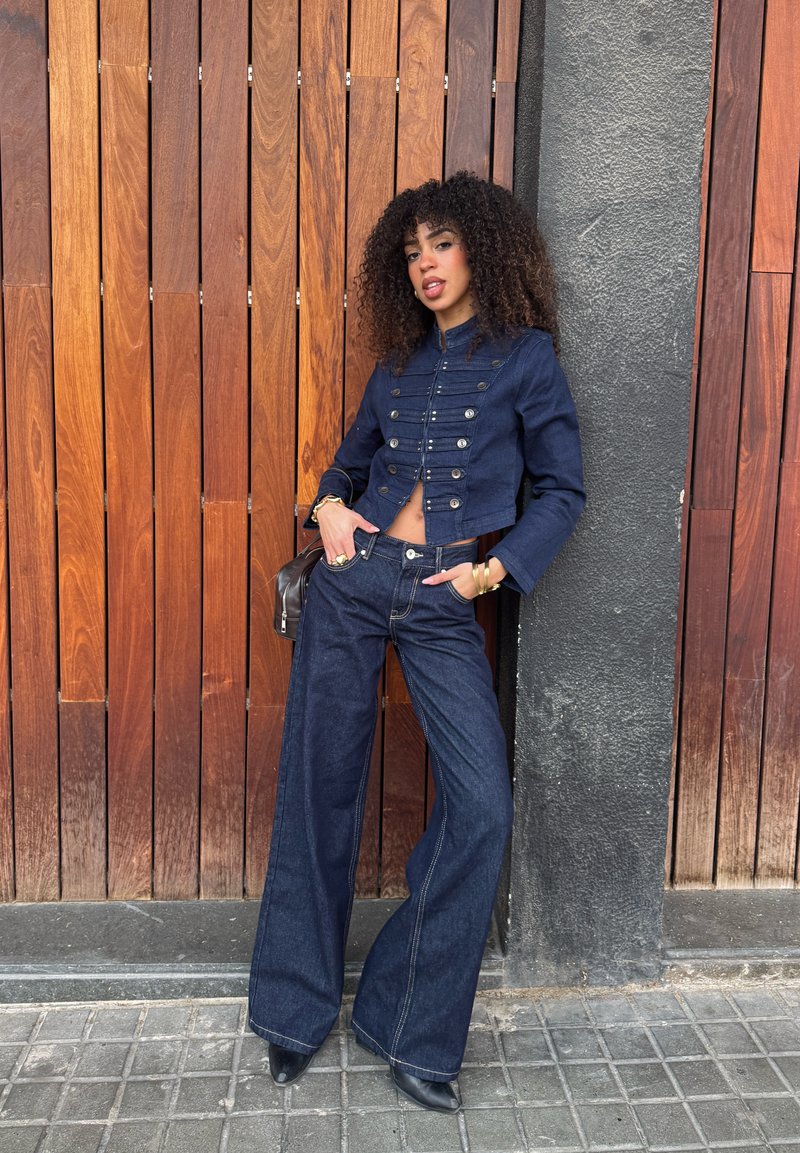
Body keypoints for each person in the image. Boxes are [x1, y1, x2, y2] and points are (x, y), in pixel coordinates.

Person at [249, 171, 585, 1113]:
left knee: (481, 807)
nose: (426, 264)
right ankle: (290, 1015)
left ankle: (406, 1019)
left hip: (443, 598)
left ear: (482, 247)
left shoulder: (527, 360)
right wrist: (328, 507)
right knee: (319, 794)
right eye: (412, 251)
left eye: (441, 244)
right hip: (354, 590)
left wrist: (493, 572)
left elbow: (563, 489)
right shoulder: (394, 364)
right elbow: (348, 462)